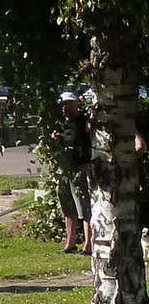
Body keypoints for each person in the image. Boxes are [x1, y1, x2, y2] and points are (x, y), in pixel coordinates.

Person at [52, 91, 92, 255]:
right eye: (64, 104)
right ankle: (70, 243)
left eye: (69, 103)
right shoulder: (60, 125)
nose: (66, 106)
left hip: (79, 169)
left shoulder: (84, 122)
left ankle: (88, 245)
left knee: (84, 208)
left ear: (76, 104)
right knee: (67, 207)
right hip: (63, 170)